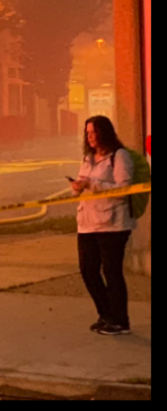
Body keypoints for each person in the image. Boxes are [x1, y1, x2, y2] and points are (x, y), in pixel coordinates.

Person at [71, 116, 136, 336]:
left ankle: (120, 320)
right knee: (88, 270)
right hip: (87, 223)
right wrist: (77, 187)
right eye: (87, 133)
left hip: (112, 224)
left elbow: (123, 190)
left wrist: (93, 184)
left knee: (112, 271)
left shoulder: (119, 157)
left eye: (94, 132)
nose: (90, 137)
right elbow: (83, 182)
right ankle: (105, 313)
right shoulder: (88, 159)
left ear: (105, 133)